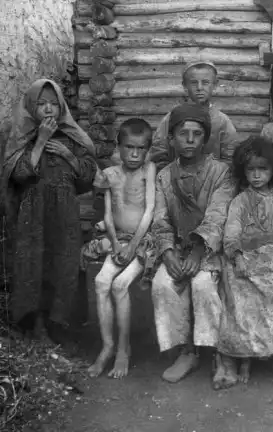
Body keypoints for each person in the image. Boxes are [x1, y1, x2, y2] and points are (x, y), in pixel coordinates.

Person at [2, 79, 97, 342]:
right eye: (41, 104)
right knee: (33, 265)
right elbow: (19, 175)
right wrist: (41, 141)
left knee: (63, 264)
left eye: (54, 104)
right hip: (32, 216)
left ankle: (60, 326)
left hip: (64, 215)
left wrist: (69, 156)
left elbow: (87, 176)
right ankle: (34, 325)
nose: (48, 109)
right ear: (31, 107)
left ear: (61, 107)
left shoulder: (72, 137)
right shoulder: (21, 137)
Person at [150, 103, 236, 384]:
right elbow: (160, 218)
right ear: (171, 139)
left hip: (210, 249)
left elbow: (218, 215)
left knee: (202, 284)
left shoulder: (221, 173)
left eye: (197, 134)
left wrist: (199, 251)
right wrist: (167, 252)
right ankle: (186, 351)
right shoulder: (164, 176)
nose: (189, 140)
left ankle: (216, 350)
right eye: (182, 134)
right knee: (163, 284)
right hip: (177, 248)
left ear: (205, 138)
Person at [82, 119, 157, 379]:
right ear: (119, 147)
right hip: (119, 241)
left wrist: (133, 246)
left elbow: (149, 210)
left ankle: (124, 349)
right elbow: (108, 214)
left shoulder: (149, 170)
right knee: (101, 281)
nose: (134, 154)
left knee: (119, 284)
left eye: (140, 148)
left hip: (143, 241)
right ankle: (107, 347)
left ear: (147, 150)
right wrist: (114, 244)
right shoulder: (109, 174)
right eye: (129, 147)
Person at [216, 136, 273, 387]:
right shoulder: (240, 201)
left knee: (271, 290)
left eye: (263, 169)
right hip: (245, 258)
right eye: (251, 170)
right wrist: (237, 256)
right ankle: (244, 356)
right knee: (238, 291)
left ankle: (272, 350)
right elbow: (231, 233)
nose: (257, 175)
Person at [150, 60, 240, 171]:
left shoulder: (222, 121)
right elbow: (159, 152)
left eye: (205, 82)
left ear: (215, 84)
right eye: (193, 83)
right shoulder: (171, 118)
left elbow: (230, 158)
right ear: (185, 86)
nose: (199, 88)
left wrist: (216, 177)